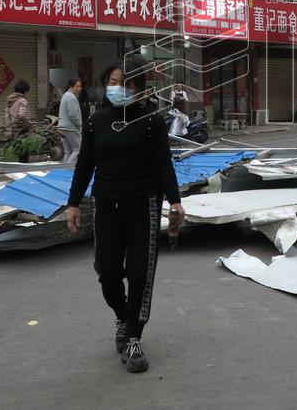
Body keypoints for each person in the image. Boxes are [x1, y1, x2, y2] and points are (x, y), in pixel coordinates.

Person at [66, 63, 185, 373]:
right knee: (107, 272)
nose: (120, 88)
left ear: (139, 89)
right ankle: (122, 316)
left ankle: (133, 337)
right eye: (114, 82)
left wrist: (175, 201)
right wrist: (73, 203)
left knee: (140, 273)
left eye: (127, 84)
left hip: (143, 203)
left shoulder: (151, 122)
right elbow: (84, 166)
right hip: (105, 203)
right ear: (106, 86)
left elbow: (163, 163)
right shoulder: (96, 122)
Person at [5, 80, 33, 163]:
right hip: (22, 130)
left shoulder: (10, 100)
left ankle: (17, 170)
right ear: (25, 91)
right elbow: (22, 115)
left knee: (17, 152)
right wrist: (29, 124)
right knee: (24, 154)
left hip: (13, 130)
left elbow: (6, 115)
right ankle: (23, 171)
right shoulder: (22, 101)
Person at [58, 79, 83, 164]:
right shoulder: (71, 97)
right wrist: (79, 124)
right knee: (78, 149)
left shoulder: (66, 95)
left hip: (63, 127)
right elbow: (73, 114)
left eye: (80, 86)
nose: (79, 88)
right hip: (71, 128)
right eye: (77, 86)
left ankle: (65, 170)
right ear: (71, 87)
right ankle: (68, 168)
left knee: (68, 151)